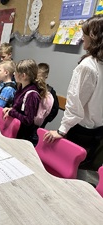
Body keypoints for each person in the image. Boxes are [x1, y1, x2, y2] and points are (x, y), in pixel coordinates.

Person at [44, 15, 103, 171]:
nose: (82, 37)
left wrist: (62, 130)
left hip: (83, 132)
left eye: (85, 34)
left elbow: (75, 103)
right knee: (84, 169)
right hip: (97, 131)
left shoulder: (88, 66)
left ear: (95, 37)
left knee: (69, 170)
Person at [3, 59, 47, 144]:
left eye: (16, 72)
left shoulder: (32, 95)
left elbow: (28, 120)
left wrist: (12, 112)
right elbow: (18, 108)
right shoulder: (21, 87)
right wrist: (11, 109)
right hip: (16, 130)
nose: (14, 74)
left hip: (23, 136)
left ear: (23, 75)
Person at [37, 63, 59, 128]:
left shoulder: (50, 92)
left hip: (40, 124)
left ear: (46, 76)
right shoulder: (32, 87)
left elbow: (55, 109)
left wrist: (46, 119)